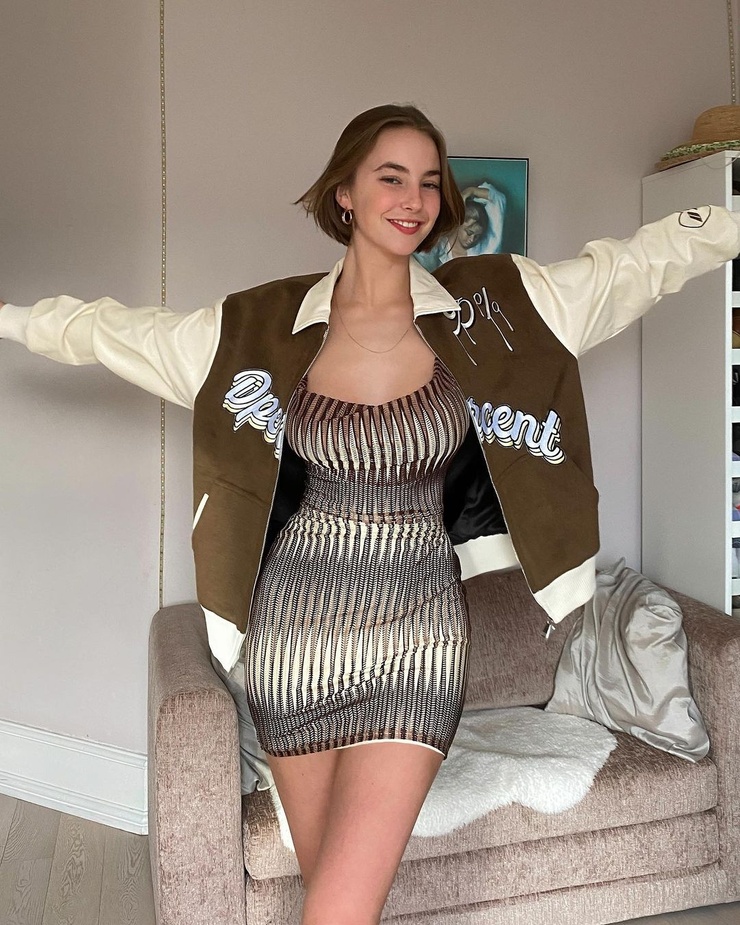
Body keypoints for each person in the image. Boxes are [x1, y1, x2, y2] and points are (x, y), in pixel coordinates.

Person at [2, 104, 739, 925]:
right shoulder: (256, 329)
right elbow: (112, 333)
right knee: (337, 902)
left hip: (420, 640)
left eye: (429, 181)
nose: (414, 198)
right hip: (293, 643)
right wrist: (12, 319)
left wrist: (726, 220)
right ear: (344, 192)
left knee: (340, 911)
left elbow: (638, 264)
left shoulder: (502, 308)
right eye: (391, 176)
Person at [414, 181, 507, 270]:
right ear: (459, 223)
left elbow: (499, 199)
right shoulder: (439, 246)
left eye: (477, 236)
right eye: (469, 233)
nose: (472, 239)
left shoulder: (486, 248)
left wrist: (471, 191)